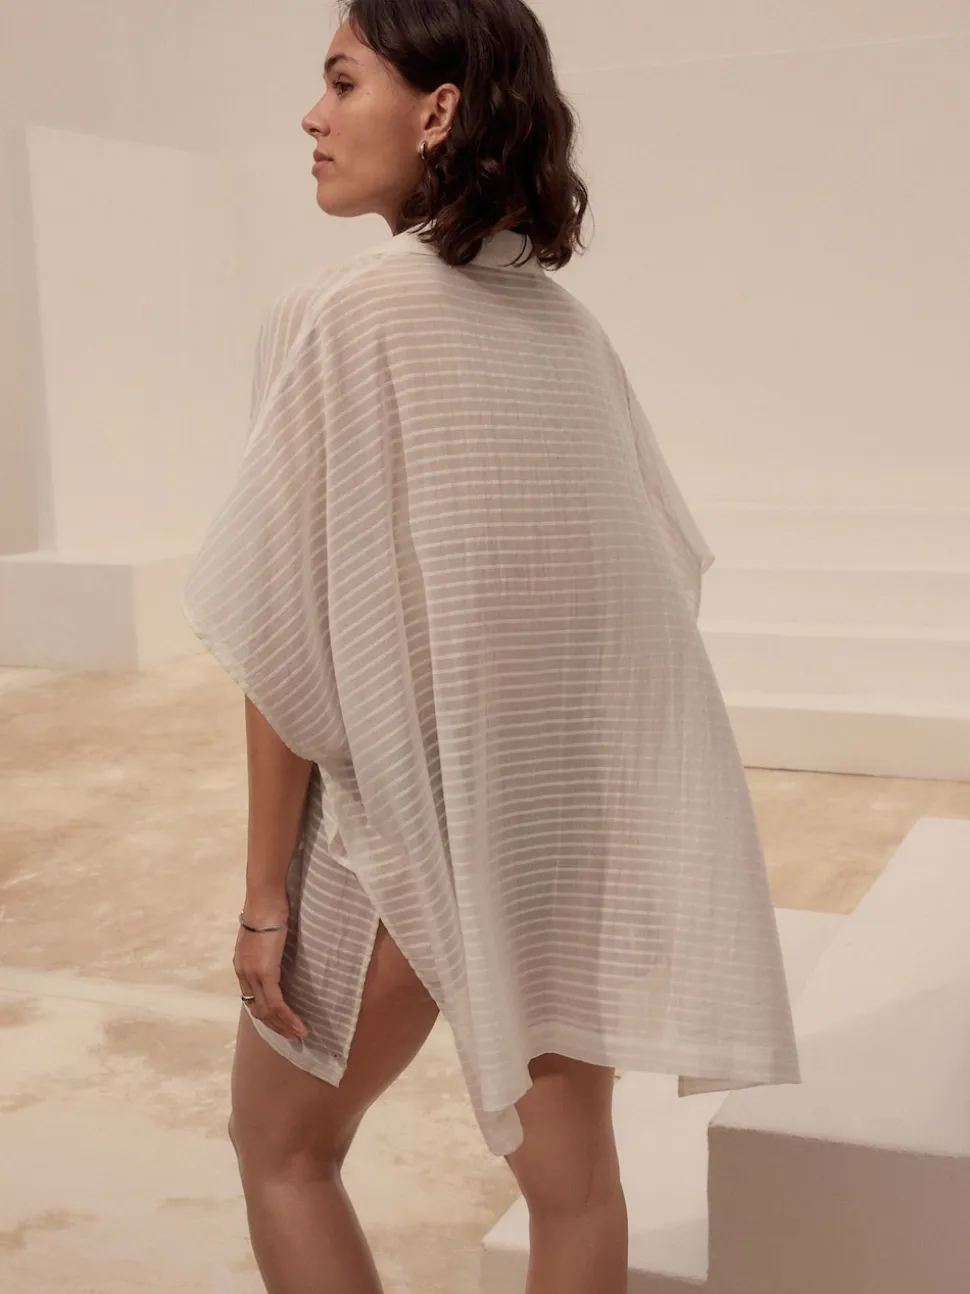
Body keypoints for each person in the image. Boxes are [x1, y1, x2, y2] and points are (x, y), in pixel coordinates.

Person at [182, 1, 801, 1291]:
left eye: (342, 82)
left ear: (440, 109)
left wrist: (263, 899)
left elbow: (282, 630)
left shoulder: (336, 317)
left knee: (281, 1151)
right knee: (580, 1197)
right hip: (555, 837)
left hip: (396, 842)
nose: (311, 117)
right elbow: (642, 596)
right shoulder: (571, 333)